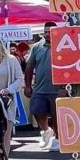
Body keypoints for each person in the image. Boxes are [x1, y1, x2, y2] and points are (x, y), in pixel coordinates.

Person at [25, 21, 59, 151]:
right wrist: (28, 86)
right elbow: (29, 66)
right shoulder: (36, 47)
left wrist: (64, 88)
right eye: (45, 32)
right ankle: (46, 131)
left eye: (50, 32)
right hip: (40, 88)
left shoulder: (64, 44)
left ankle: (57, 139)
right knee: (36, 110)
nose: (47, 34)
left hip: (57, 89)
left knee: (57, 116)